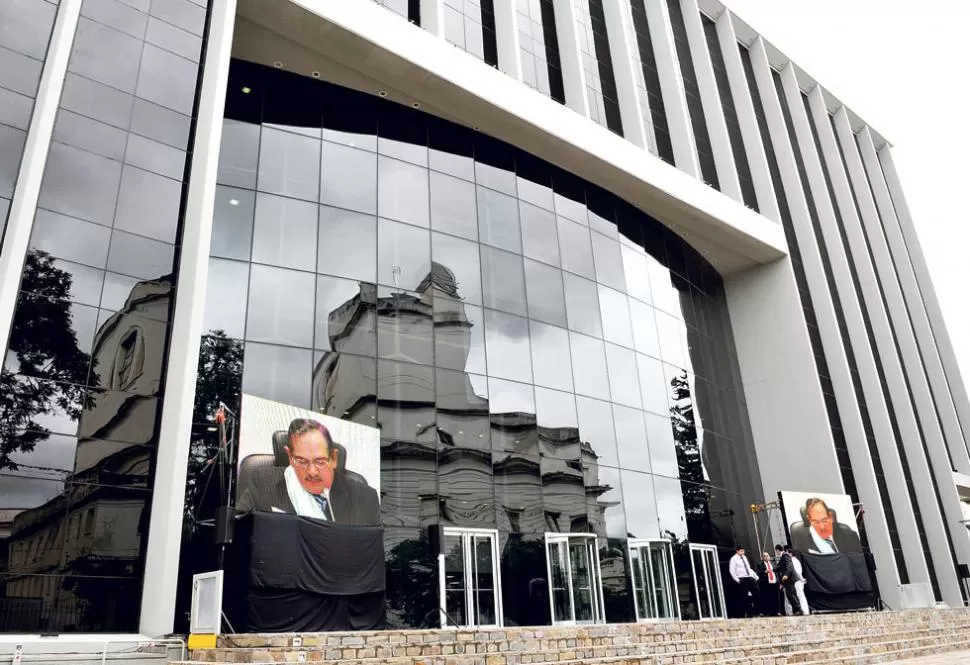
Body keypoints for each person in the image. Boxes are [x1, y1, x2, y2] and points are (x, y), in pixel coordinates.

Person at [236, 418, 381, 525]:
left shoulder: (364, 498)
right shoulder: (262, 482)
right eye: (301, 461)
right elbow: (237, 530)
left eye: (320, 462)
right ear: (290, 457)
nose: (312, 472)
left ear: (333, 458)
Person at [789, 497, 863, 554]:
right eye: (816, 522)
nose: (822, 527)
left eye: (824, 520)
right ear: (810, 520)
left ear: (830, 517)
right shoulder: (802, 542)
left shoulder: (851, 537)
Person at [729, 546, 759, 617]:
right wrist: (738, 580)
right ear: (737, 551)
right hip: (742, 578)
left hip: (749, 577)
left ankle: (755, 611)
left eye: (743, 551)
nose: (743, 552)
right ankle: (747, 613)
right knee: (744, 596)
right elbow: (732, 570)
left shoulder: (744, 557)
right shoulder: (734, 559)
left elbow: (748, 568)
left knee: (757, 592)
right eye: (741, 551)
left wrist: (753, 576)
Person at [774, 544, 802, 615]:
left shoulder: (785, 555)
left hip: (789, 578)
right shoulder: (783, 557)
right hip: (790, 579)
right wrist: (771, 570)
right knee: (793, 594)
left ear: (777, 550)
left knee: (790, 594)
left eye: (776, 551)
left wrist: (786, 574)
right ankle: (798, 610)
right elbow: (779, 567)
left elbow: (789, 566)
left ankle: (797, 609)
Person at [756, 551, 780, 616]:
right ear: (762, 558)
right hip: (766, 584)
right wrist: (765, 572)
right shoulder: (760, 564)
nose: (766, 557)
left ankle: (777, 611)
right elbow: (759, 573)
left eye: (767, 556)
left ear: (769, 557)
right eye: (764, 556)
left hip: (775, 583)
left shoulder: (774, 563)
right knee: (768, 598)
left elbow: (778, 571)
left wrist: (780, 582)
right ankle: (769, 612)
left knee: (776, 598)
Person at [788, 548, 810, 615]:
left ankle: (804, 610)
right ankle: (803, 610)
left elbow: (797, 572)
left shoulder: (794, 561)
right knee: (799, 596)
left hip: (797, 581)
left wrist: (801, 579)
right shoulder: (795, 560)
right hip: (798, 580)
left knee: (799, 595)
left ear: (791, 554)